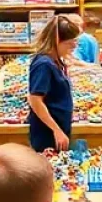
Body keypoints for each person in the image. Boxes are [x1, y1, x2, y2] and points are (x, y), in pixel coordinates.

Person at [27, 15, 80, 153]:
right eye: (69, 43)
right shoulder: (44, 64)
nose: (74, 46)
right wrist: (56, 130)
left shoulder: (56, 61)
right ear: (56, 41)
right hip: (47, 132)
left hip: (58, 126)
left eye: (75, 41)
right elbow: (35, 100)